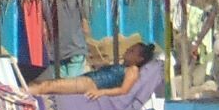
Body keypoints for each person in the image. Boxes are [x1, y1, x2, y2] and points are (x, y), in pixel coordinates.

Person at [26, 40, 157, 99]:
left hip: (90, 84)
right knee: (47, 85)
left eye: (132, 51)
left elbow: (124, 90)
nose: (128, 50)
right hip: (87, 80)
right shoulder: (124, 67)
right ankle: (22, 91)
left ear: (139, 59)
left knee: (48, 86)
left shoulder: (133, 70)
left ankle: (20, 93)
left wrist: (101, 93)